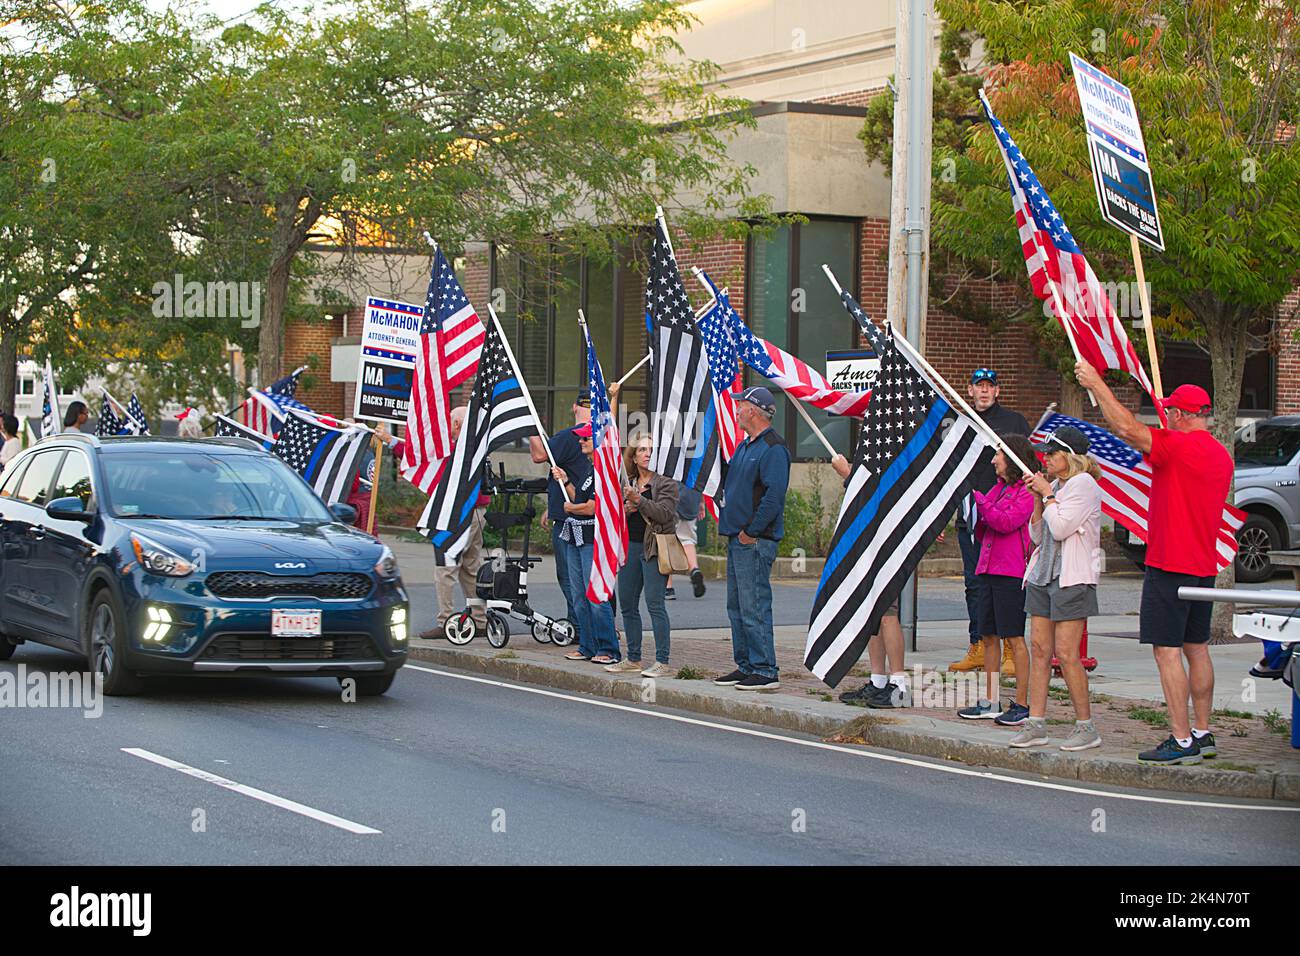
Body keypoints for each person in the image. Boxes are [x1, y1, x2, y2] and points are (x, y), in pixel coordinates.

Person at [1076, 362, 1232, 766]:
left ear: (1180, 415)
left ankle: (1180, 740)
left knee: (1167, 652)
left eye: (1171, 411)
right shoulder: (1219, 455)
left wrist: (1096, 384)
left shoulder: (1177, 446)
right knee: (1197, 647)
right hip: (1203, 564)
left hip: (1170, 563)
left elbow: (1126, 428)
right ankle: (1202, 731)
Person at [1008, 425, 1103, 752]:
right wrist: (1039, 500)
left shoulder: (1083, 484)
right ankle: (1036, 722)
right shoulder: (1058, 486)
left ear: (1070, 456)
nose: (1044, 458)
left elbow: (1062, 528)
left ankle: (1086, 726)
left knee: (1066, 654)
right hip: (1043, 575)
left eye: (1052, 453)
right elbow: (1038, 536)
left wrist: (1047, 493)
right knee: (1040, 650)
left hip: (1071, 577)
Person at [950, 368, 1030, 677]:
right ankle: (979, 645)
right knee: (974, 584)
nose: (984, 391)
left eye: (989, 386)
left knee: (1005, 586)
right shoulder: (959, 423)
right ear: (968, 390)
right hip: (970, 516)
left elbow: (1026, 466)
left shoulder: (1014, 422)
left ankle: (1010, 646)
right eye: (978, 386)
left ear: (997, 391)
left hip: (1005, 516)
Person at [712, 386, 790, 691]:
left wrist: (751, 531)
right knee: (736, 606)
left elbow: (774, 497)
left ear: (754, 411)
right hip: (737, 537)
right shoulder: (745, 446)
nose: (736, 410)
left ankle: (765, 669)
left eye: (741, 405)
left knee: (754, 604)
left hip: (754, 540)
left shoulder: (773, 448)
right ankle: (746, 665)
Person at [956, 435, 1037, 722]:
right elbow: (982, 519)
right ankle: (991, 700)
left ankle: (1023, 703)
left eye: (998, 456)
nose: (993, 461)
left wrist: (975, 498)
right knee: (988, 635)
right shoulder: (998, 488)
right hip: (987, 568)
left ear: (1013, 459)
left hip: (1011, 573)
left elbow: (1005, 522)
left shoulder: (1027, 492)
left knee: (1014, 638)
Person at [830, 452, 910, 708]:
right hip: (869, 541)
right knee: (872, 613)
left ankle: (899, 685)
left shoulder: (895, 446)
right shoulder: (875, 446)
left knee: (887, 613)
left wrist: (847, 476)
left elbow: (880, 493)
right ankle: (877, 681)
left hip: (887, 541)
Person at [606, 434, 678, 677]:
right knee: (627, 602)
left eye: (651, 450)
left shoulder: (665, 483)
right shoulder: (628, 482)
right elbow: (616, 517)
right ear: (634, 457)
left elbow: (666, 515)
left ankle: (662, 661)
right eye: (642, 450)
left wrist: (640, 501)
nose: (647, 454)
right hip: (631, 546)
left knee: (655, 603)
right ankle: (633, 658)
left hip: (654, 548)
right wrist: (625, 509)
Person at [551, 421, 621, 665]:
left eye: (585, 439)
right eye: (580, 438)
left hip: (593, 538)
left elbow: (593, 506)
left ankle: (609, 648)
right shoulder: (588, 470)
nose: (580, 442)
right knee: (579, 594)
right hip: (574, 535)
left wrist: (572, 508)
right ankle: (587, 644)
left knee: (596, 595)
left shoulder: (605, 470)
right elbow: (577, 495)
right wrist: (567, 480)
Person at [416, 408, 489, 640]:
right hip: (478, 511)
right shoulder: (478, 445)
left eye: (450, 422)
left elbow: (438, 469)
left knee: (446, 567)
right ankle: (479, 619)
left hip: (459, 513)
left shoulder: (461, 449)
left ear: (458, 424)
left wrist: (396, 447)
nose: (448, 427)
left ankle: (446, 619)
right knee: (471, 568)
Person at [530, 391, 591, 644]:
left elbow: (539, 455)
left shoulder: (571, 436)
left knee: (570, 577)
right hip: (575, 510)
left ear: (574, 407)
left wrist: (530, 425)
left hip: (573, 520)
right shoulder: (597, 435)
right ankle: (584, 626)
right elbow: (574, 476)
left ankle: (579, 626)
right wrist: (553, 505)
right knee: (583, 577)